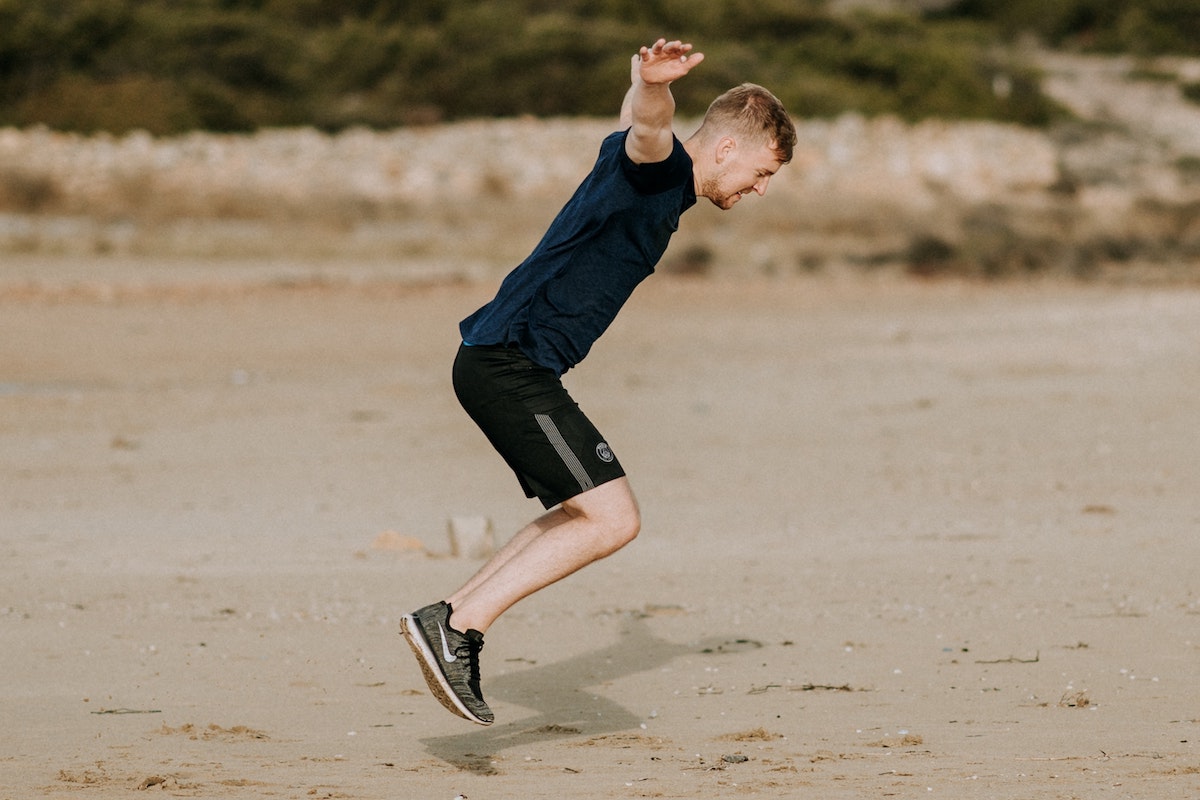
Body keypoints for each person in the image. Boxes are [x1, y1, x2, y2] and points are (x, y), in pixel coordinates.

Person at [400, 38, 797, 725]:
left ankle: (448, 617)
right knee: (614, 519)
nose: (760, 190)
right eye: (762, 172)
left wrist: (636, 83)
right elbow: (648, 127)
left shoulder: (644, 175)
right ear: (726, 150)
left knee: (579, 511)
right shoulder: (658, 170)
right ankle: (459, 625)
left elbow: (628, 121)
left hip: (503, 360)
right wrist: (652, 84)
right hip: (509, 363)